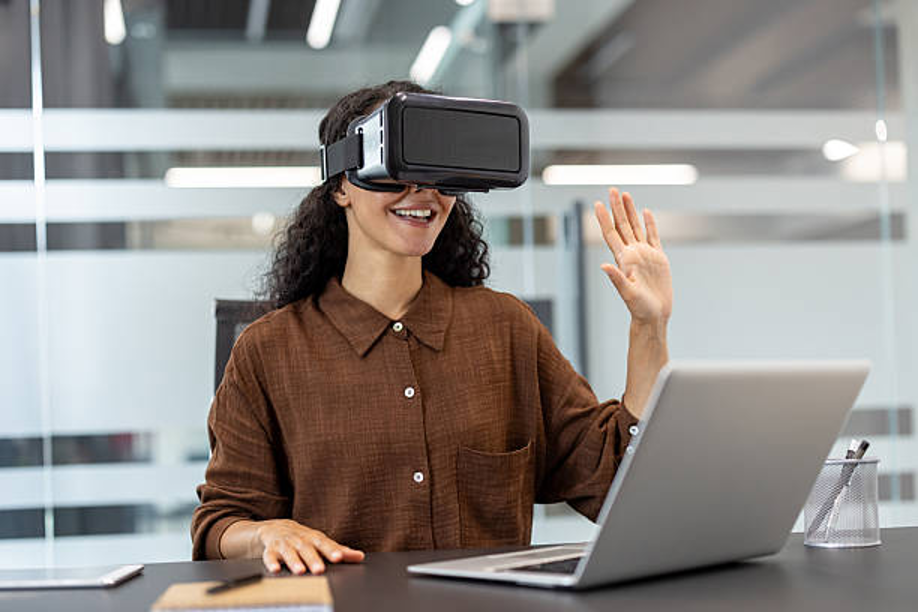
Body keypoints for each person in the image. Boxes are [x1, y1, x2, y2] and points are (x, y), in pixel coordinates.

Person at [191, 80, 672, 576]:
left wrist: (649, 328)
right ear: (341, 186)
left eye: (437, 175)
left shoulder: (504, 329)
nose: (422, 193)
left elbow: (613, 481)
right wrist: (268, 532)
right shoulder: (268, 351)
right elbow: (221, 524)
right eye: (396, 171)